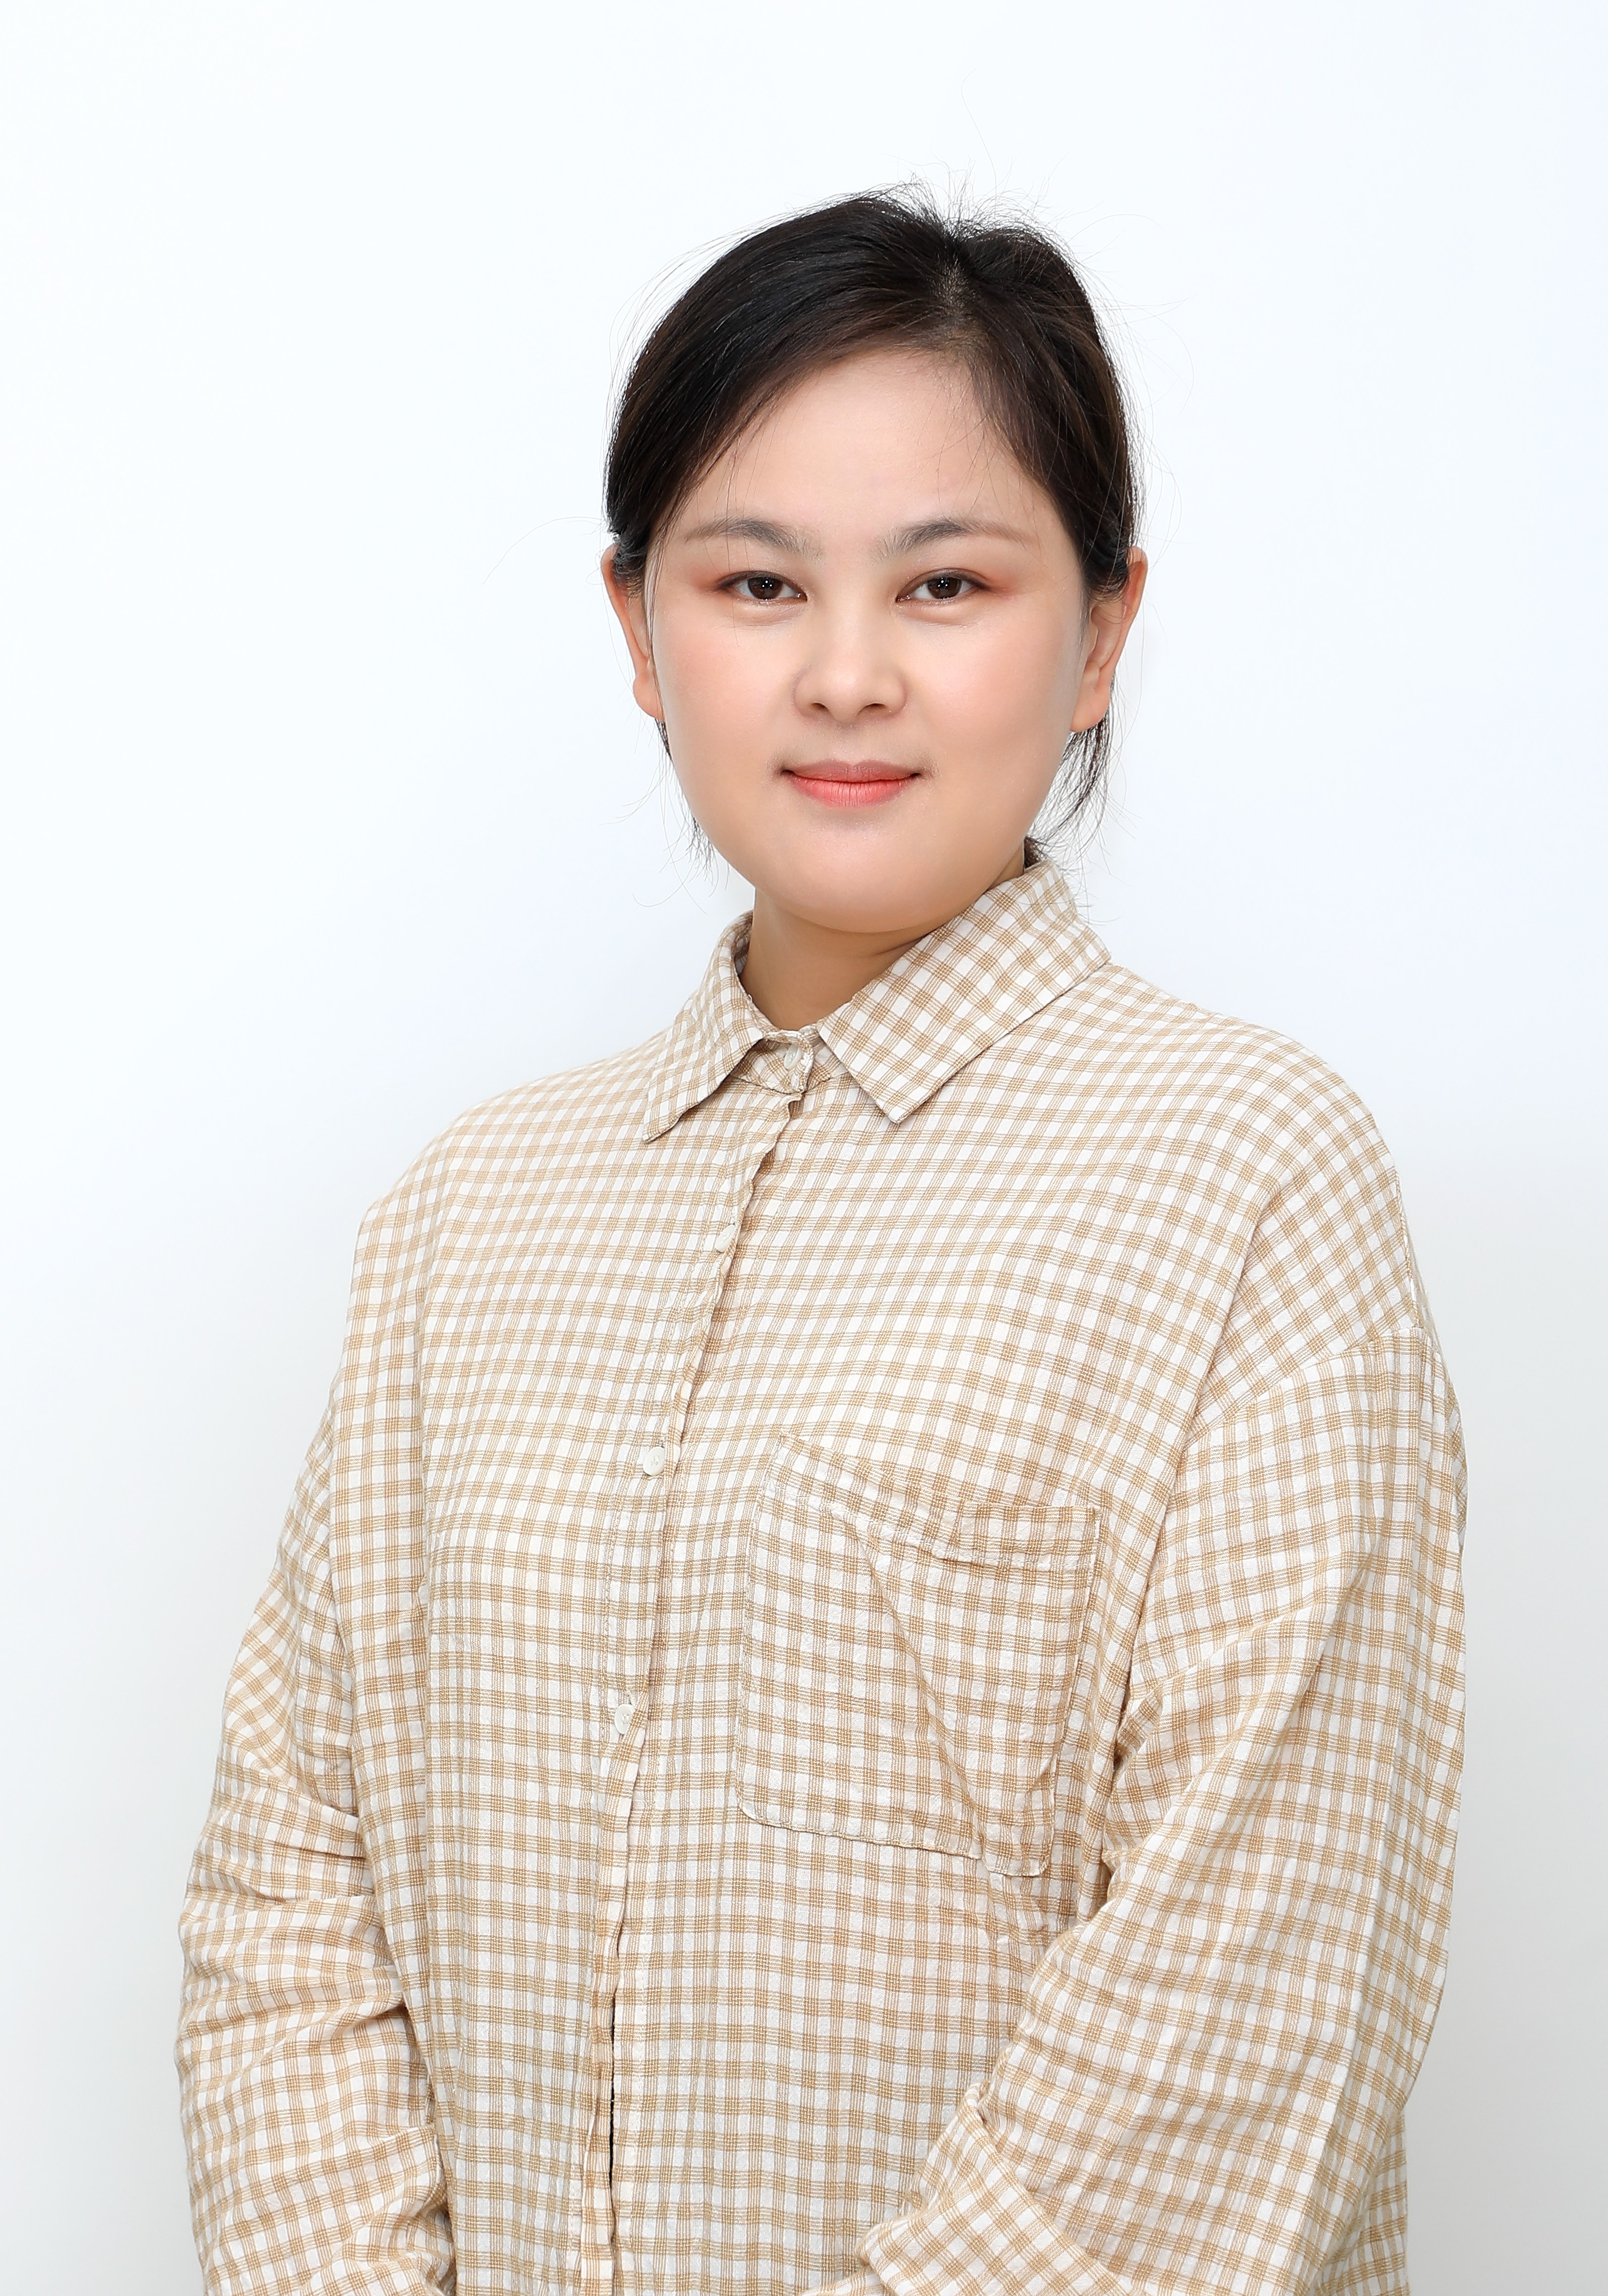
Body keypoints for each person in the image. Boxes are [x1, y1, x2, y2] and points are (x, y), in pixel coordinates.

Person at [177, 189, 1464, 2296]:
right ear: (636, 629)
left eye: (945, 582)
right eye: (756, 582)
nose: (845, 675)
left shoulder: (1242, 1174)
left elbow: (1245, 1996)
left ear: (1100, 632)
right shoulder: (466, 1217)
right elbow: (288, 1911)